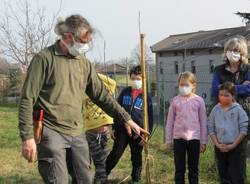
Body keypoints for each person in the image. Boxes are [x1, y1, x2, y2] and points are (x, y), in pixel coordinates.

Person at [18, 15, 148, 184]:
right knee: (58, 180)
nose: (85, 46)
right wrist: (27, 137)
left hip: (76, 131)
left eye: (88, 41)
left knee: (85, 179)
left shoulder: (84, 64)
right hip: (51, 130)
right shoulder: (44, 59)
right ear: (67, 36)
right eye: (82, 41)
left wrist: (127, 120)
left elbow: (102, 95)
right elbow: (27, 98)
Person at [105, 65, 154, 184]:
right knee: (115, 154)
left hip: (139, 132)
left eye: (138, 79)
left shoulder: (146, 96)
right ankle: (102, 174)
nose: (135, 81)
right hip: (122, 128)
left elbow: (150, 117)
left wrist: (147, 134)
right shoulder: (125, 92)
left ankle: (136, 179)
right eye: (133, 78)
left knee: (136, 156)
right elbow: (116, 110)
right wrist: (113, 128)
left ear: (143, 79)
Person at [211, 36, 250, 177]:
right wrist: (240, 87)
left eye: (238, 50)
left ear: (243, 53)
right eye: (232, 50)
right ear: (226, 52)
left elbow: (249, 89)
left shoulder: (247, 69)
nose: (234, 53)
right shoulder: (218, 70)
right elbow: (215, 90)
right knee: (223, 166)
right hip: (221, 118)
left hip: (241, 119)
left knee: (238, 163)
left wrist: (225, 89)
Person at [165, 71, 207, 184]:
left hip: (195, 139)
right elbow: (169, 122)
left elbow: (203, 122)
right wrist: (168, 140)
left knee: (193, 169)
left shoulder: (199, 101)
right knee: (179, 169)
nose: (183, 87)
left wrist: (203, 141)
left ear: (193, 85)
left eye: (186, 85)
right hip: (179, 139)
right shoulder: (175, 101)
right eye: (181, 85)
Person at [208, 82, 249, 184]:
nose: (223, 97)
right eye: (221, 95)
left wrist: (233, 145)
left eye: (226, 95)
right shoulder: (215, 110)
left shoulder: (239, 110)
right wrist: (217, 144)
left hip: (236, 148)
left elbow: (243, 130)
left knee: (236, 176)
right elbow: (211, 128)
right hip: (220, 148)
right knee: (223, 176)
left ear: (233, 96)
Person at [83, 74, 116, 184]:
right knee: (99, 161)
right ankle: (103, 180)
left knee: (102, 160)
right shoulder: (84, 92)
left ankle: (98, 179)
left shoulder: (105, 91)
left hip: (104, 132)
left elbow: (112, 82)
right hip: (91, 132)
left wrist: (93, 73)